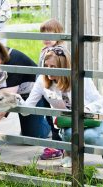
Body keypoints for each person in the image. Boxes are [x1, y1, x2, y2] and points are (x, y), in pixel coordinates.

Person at [23, 46, 103, 168]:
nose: (48, 70)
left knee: (89, 136)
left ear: (63, 67)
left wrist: (85, 111)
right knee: (68, 134)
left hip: (92, 118)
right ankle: (68, 154)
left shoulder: (80, 77)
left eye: (53, 67)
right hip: (68, 122)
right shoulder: (42, 80)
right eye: (46, 66)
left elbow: (99, 100)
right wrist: (16, 101)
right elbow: (27, 109)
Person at [0, 39, 50, 154]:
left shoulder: (13, 65)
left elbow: (1, 109)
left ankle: (49, 122)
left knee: (32, 136)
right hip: (7, 90)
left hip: (30, 94)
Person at [38, 19, 66, 160]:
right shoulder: (43, 52)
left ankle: (60, 146)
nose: (46, 38)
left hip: (58, 91)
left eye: (50, 34)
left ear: (59, 34)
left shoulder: (62, 53)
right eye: (43, 34)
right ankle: (56, 143)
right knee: (49, 118)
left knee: (59, 118)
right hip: (45, 89)